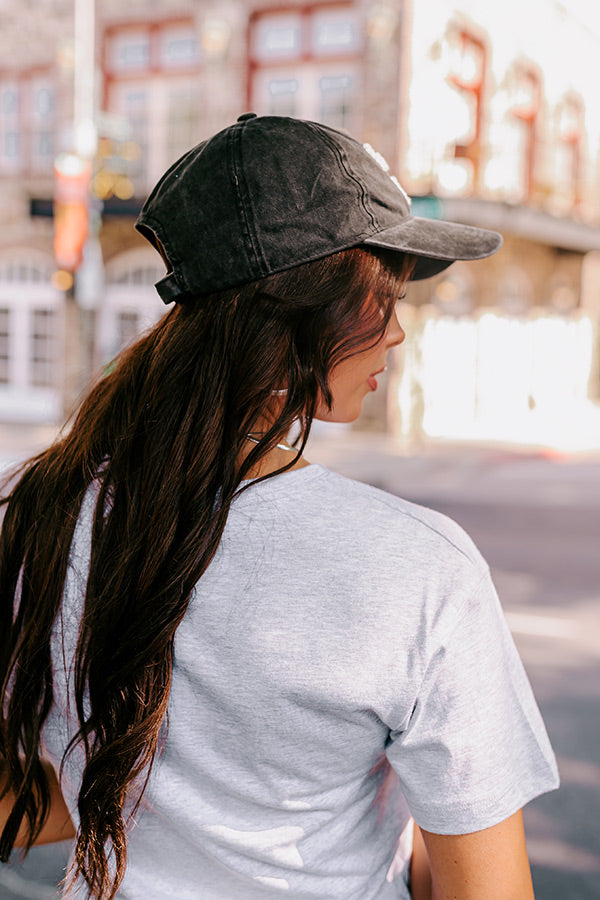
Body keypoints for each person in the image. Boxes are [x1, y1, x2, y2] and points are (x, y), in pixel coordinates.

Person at [0, 114, 558, 900]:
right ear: (308, 307)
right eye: (385, 298)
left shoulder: (43, 512)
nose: (398, 333)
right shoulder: (420, 567)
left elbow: (37, 799)